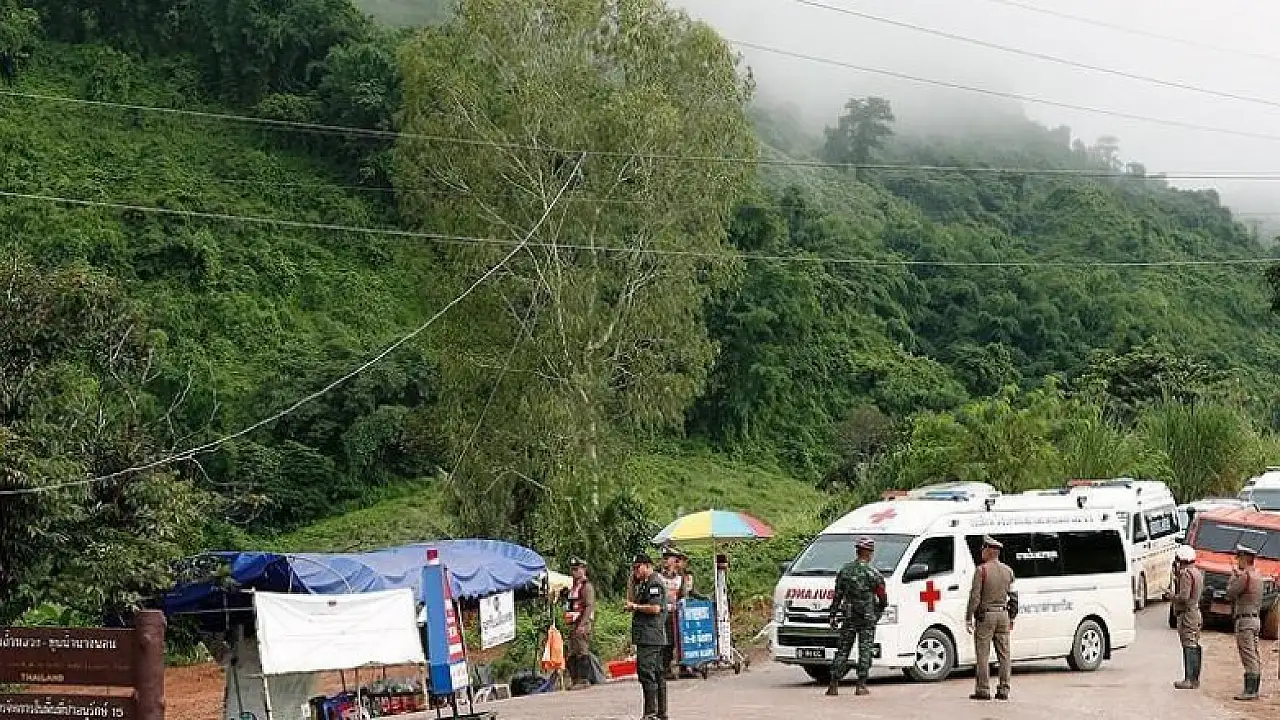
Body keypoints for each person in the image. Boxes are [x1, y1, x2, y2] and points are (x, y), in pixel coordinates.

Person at [826, 536, 887, 697]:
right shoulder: (873, 573)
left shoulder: (845, 571)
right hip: (867, 618)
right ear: (870, 553)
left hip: (849, 616)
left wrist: (833, 614)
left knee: (843, 650)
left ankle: (833, 684)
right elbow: (882, 597)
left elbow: (837, 596)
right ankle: (861, 685)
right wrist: (878, 611)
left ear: (857, 551)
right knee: (865, 650)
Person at [967, 535, 1017, 701]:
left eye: (983, 549)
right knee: (1004, 655)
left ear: (989, 551)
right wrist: (1012, 616)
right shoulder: (1008, 571)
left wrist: (968, 617)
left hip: (986, 616)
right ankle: (1004, 689)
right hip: (1003, 615)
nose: (981, 552)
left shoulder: (981, 570)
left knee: (983, 654)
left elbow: (975, 597)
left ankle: (983, 689)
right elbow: (1014, 596)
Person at [627, 553, 669, 720]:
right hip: (649, 635)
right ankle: (660, 712)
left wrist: (635, 607)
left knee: (646, 672)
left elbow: (655, 608)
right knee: (657, 673)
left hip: (650, 636)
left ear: (647, 565)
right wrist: (632, 581)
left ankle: (651, 713)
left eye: (638, 567)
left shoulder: (654, 583)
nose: (635, 571)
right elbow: (631, 595)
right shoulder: (645, 583)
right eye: (634, 568)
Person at [1226, 544, 1263, 701]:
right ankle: (1254, 688)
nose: (1237, 562)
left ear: (1244, 559)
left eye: (1239, 558)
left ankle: (1250, 690)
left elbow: (1230, 592)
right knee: (1254, 654)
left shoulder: (1245, 576)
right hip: (1254, 619)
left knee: (1248, 655)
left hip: (1245, 621)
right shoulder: (1257, 575)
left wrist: (1234, 577)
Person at [1171, 545, 1204, 690]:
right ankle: (1194, 679)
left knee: (1189, 645)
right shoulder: (1197, 572)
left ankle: (1189, 679)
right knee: (1194, 643)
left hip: (1187, 614)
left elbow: (1184, 597)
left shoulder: (1185, 574)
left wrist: (1171, 596)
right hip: (1194, 611)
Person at [564, 558, 596, 690]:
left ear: (583, 569)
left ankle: (584, 679)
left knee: (582, 651)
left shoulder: (586, 586)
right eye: (573, 569)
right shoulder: (574, 587)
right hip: (573, 623)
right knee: (572, 652)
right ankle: (575, 679)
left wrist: (583, 624)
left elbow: (589, 606)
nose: (574, 572)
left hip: (582, 623)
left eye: (577, 569)